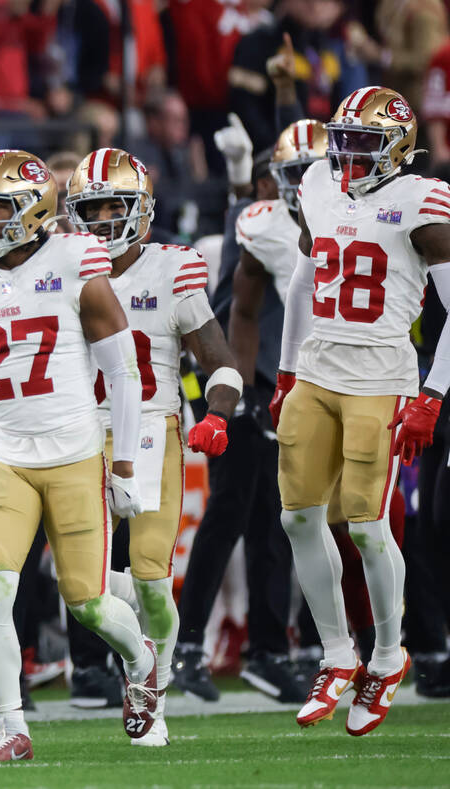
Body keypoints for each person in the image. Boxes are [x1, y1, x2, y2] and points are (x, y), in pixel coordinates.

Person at [0, 148, 154, 761]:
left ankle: (141, 660)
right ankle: (11, 726)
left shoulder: (76, 257)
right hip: (3, 453)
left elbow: (124, 370)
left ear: (35, 210)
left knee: (87, 603)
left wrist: (127, 463)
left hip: (75, 452)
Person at [271, 86, 450, 735]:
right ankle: (337, 652)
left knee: (369, 526)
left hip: (381, 372)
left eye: (365, 143)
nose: (348, 153)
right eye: (342, 140)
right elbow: (300, 279)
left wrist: (432, 393)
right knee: (297, 516)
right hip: (318, 365)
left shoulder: (421, 200)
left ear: (398, 146)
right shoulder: (318, 181)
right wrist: (288, 367)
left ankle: (386, 654)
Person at [64, 147, 243, 745]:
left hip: (149, 429)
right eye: (91, 209)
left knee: (148, 577)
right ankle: (140, 657)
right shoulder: (55, 265)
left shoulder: (173, 268)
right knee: (77, 580)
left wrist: (217, 415)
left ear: (141, 210)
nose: (104, 221)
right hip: (76, 429)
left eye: (115, 206)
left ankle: (152, 692)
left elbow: (221, 365)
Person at [173, 123, 325, 704]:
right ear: (267, 181)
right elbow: (234, 315)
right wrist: (229, 399)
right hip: (241, 385)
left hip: (285, 386)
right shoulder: (257, 219)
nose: (310, 182)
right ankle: (190, 644)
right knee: (230, 513)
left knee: (276, 522)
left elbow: (294, 151)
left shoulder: (323, 218)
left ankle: (268, 648)